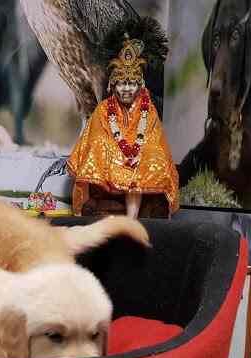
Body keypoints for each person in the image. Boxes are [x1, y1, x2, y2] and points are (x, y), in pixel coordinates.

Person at [66, 20, 179, 219]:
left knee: (149, 157)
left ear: (140, 85)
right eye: (121, 83)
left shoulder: (148, 109)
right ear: (112, 84)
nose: (126, 89)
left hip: (138, 169)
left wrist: (138, 154)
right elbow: (94, 142)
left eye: (131, 83)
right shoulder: (104, 109)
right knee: (99, 145)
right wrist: (118, 154)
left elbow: (155, 145)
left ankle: (131, 218)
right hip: (109, 169)